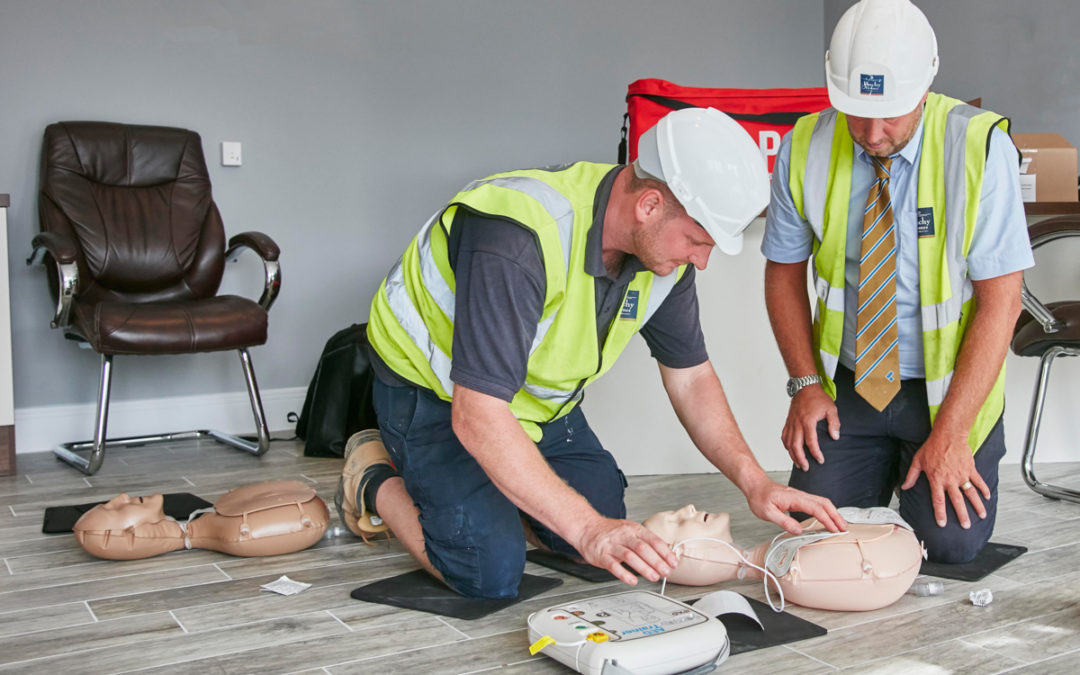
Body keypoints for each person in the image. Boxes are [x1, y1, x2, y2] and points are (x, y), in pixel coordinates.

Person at [337, 107, 847, 599]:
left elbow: (691, 378)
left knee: (600, 528)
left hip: (535, 406)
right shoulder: (517, 238)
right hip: (435, 396)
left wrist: (755, 483)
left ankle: (495, 489)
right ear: (649, 205)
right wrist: (587, 529)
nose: (703, 260)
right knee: (488, 569)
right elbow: (479, 417)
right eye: (698, 239)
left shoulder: (663, 261)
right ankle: (373, 473)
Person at [762, 0, 1033, 564]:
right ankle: (874, 466)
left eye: (890, 112)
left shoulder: (979, 148)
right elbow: (783, 275)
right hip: (851, 385)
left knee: (951, 545)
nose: (871, 131)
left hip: (945, 392)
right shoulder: (805, 146)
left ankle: (941, 455)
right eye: (857, 111)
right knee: (812, 540)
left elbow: (1002, 301)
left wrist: (953, 433)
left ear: (926, 86)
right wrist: (805, 384)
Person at [643, 504, 922, 612]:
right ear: (683, 552)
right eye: (676, 521)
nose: (688, 508)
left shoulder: (782, 556)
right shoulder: (790, 571)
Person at [73, 481, 330, 560]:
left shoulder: (217, 523)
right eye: (114, 509)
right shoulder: (230, 532)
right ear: (129, 535)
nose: (121, 497)